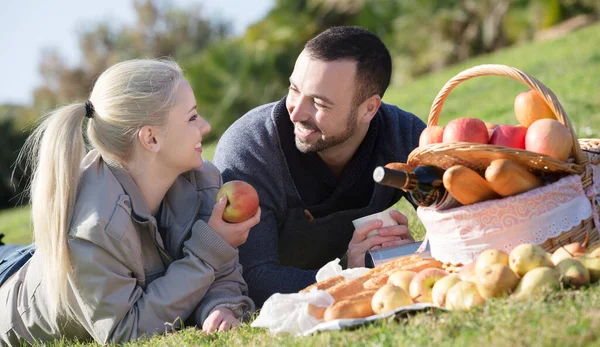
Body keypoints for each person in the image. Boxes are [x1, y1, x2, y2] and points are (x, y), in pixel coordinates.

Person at [0, 59, 260, 345]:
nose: (206, 126)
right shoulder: (95, 227)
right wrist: (208, 251)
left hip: (28, 256)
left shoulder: (202, 180)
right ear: (151, 138)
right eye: (192, 117)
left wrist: (220, 307)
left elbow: (222, 272)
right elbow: (125, 331)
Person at [213, 26, 426, 307]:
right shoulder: (249, 151)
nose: (296, 112)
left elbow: (467, 221)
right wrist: (353, 276)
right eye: (294, 89)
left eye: (318, 102)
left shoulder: (402, 135)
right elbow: (254, 279)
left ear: (369, 109)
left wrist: (418, 253)